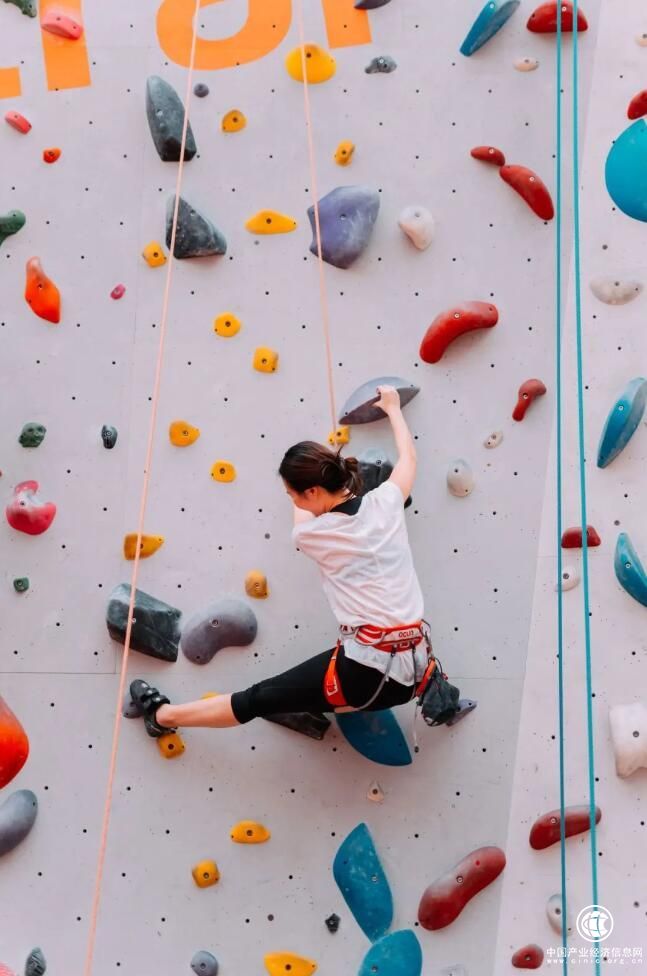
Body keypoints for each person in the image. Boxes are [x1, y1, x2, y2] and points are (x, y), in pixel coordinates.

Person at [130, 384, 435, 737]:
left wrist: (306, 484)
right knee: (305, 688)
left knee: (256, 699)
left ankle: (162, 717)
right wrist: (393, 408)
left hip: (366, 676)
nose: (293, 500)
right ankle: (308, 704)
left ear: (313, 491)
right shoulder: (387, 503)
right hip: (415, 670)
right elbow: (409, 459)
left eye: (293, 494)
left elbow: (305, 514)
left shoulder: (314, 534)